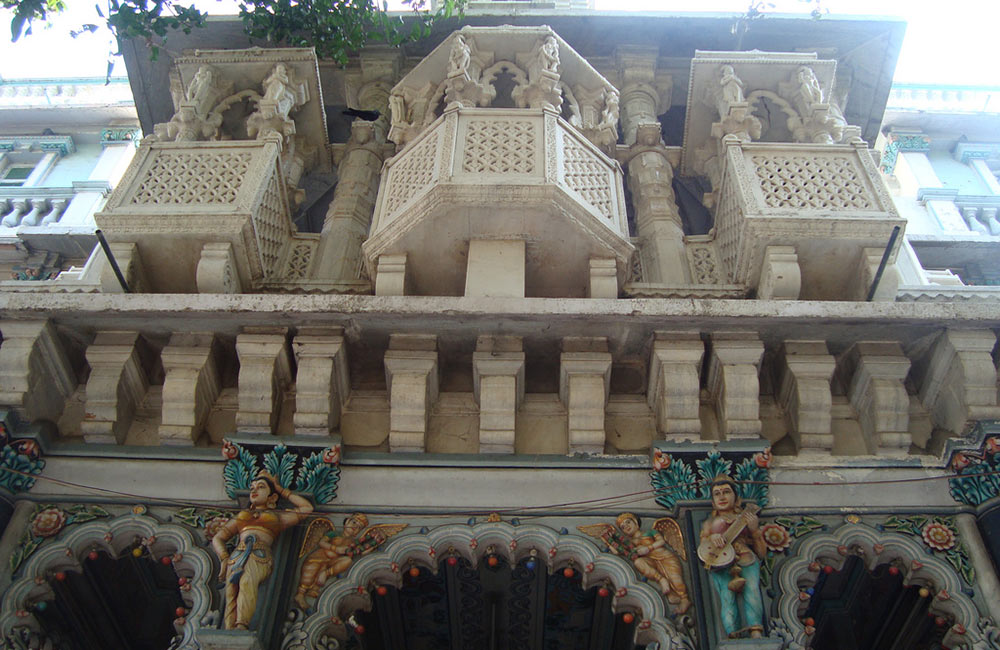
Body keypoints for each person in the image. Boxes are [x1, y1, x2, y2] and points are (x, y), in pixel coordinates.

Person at [212, 470, 313, 630]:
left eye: (260, 487)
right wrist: (224, 557)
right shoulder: (243, 515)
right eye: (252, 487)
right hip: (237, 554)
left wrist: (281, 490)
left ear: (272, 497)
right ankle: (229, 629)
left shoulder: (277, 517)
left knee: (247, 582)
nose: (254, 490)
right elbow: (218, 537)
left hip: (259, 555)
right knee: (231, 590)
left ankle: (241, 625)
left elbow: (306, 508)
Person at [700, 475, 766, 639]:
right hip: (721, 561)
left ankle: (756, 630)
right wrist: (711, 538)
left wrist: (755, 530)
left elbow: (762, 553)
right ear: (713, 502)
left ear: (736, 497)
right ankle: (732, 633)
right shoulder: (709, 523)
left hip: (745, 557)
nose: (722, 497)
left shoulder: (745, 517)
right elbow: (703, 549)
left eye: (726, 492)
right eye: (717, 493)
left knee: (752, 591)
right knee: (726, 596)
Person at [617, 513, 691, 614]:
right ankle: (661, 579)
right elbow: (618, 551)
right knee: (638, 562)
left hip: (665, 557)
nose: (626, 526)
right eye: (623, 527)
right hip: (651, 562)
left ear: (635, 522)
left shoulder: (650, 532)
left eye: (628, 522)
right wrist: (607, 541)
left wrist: (648, 548)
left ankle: (684, 599)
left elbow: (661, 541)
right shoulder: (631, 543)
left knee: (675, 579)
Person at [294, 513, 369, 609]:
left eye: (359, 527)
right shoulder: (334, 533)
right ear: (346, 521)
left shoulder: (353, 542)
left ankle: (326, 574)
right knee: (310, 572)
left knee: (347, 560)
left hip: (332, 562)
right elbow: (321, 542)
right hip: (319, 557)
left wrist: (375, 543)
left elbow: (361, 552)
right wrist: (335, 548)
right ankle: (300, 594)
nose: (355, 526)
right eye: (353, 522)